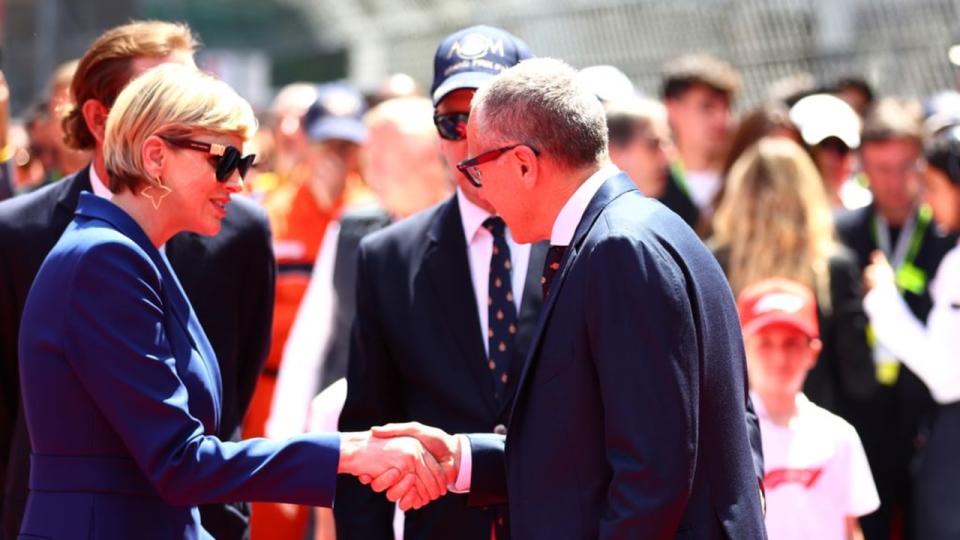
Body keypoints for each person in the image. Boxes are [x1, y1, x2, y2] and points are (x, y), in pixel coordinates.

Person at [14, 63, 444, 540]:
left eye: (244, 164)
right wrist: (348, 452)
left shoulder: (128, 254)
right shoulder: (105, 260)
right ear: (155, 156)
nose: (237, 183)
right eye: (224, 160)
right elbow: (178, 459)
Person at [373, 58, 765, 539]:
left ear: (523, 163)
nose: (477, 189)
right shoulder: (629, 233)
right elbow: (587, 446)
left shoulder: (619, 250)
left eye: (476, 167)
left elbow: (652, 476)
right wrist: (463, 459)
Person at [0, 21, 275, 539]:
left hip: (194, 515)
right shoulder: (51, 241)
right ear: (105, 120)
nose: (237, 182)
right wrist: (344, 457)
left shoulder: (235, 231)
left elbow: (233, 389)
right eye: (162, 98)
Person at [335, 25, 547, 540]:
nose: (471, 138)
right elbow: (369, 434)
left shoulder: (588, 244)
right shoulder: (388, 259)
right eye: (453, 121)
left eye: (489, 115)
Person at [267, 96, 451, 539]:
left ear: (432, 159)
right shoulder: (352, 229)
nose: (370, 169)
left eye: (385, 156)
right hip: (351, 453)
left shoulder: (474, 234)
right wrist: (285, 452)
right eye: (370, 156)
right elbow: (308, 344)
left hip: (441, 464)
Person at [836, 98, 958, 540]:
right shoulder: (841, 233)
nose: (894, 182)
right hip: (863, 415)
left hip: (932, 414)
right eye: (880, 168)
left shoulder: (947, 235)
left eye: (906, 167)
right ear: (862, 166)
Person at [710, 137, 875, 416]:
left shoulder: (711, 263)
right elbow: (860, 379)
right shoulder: (834, 267)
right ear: (807, 194)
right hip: (813, 434)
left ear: (739, 193)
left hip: (735, 431)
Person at [738, 278, 879, 540]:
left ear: (813, 352)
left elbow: (851, 529)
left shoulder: (839, 436)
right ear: (741, 351)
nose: (779, 357)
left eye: (791, 343)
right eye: (765, 343)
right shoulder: (727, 439)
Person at [661, 53, 740, 230]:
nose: (723, 119)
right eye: (707, 107)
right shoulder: (653, 181)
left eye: (727, 107)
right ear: (672, 108)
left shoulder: (744, 175)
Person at [788, 93, 870, 210]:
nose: (832, 159)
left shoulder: (865, 207)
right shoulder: (783, 212)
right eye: (824, 146)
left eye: (841, 148)